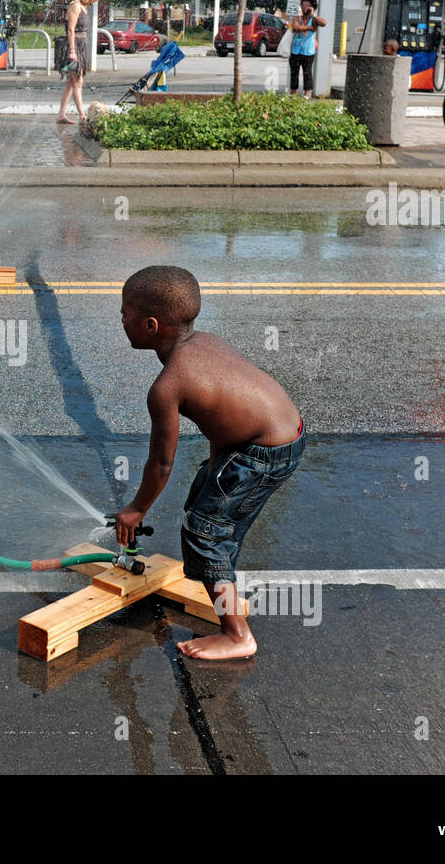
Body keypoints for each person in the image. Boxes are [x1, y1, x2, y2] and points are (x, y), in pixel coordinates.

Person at [114, 266, 305, 661]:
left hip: (262, 453)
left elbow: (161, 463)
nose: (121, 319)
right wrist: (215, 469)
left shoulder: (167, 386)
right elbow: (227, 412)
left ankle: (237, 636)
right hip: (282, 434)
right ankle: (222, 583)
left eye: (125, 313)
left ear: (150, 325)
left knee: (205, 535)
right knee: (206, 510)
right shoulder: (207, 343)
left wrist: (136, 509)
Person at [55, 0, 103, 125]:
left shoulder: (84, 7)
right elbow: (70, 30)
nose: (97, 0)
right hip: (73, 46)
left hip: (81, 46)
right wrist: (72, 51)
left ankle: (61, 115)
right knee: (78, 81)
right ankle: (82, 115)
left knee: (71, 82)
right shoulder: (75, 6)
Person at [287, 0, 325, 98]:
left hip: (308, 51)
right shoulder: (297, 18)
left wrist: (313, 15)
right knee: (294, 73)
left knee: (307, 73)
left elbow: (324, 23)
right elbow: (295, 27)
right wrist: (308, 28)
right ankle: (293, 94)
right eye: (303, 5)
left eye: (307, 5)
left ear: (312, 7)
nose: (304, 7)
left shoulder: (314, 20)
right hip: (295, 50)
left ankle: (307, 95)